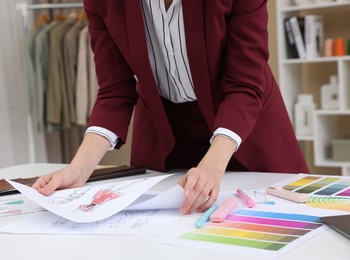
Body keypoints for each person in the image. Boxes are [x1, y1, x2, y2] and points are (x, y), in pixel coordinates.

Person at [33, 0, 309, 215]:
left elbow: (244, 84)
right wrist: (79, 169)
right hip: (165, 131)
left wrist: (212, 166)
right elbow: (114, 91)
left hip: (243, 128)